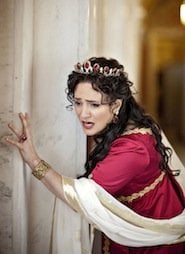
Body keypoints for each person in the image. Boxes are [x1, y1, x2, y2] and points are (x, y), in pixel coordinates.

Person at [6, 57, 185, 254]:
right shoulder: (121, 126)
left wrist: (33, 160)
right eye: (78, 102)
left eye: (94, 104)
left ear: (116, 105)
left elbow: (79, 197)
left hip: (153, 245)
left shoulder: (133, 150)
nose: (83, 114)